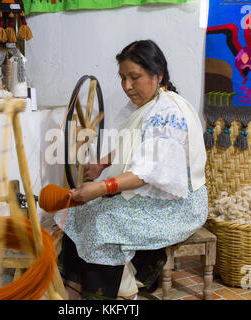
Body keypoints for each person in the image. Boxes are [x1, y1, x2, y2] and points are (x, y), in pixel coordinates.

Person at [53, 40, 208, 300]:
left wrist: (102, 187)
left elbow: (150, 171)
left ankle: (112, 294)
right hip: (156, 193)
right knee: (78, 212)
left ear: (157, 75)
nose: (126, 86)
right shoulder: (146, 106)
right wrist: (102, 165)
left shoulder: (168, 113)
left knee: (104, 222)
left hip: (180, 206)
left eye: (134, 77)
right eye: (123, 78)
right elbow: (135, 146)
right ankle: (76, 289)